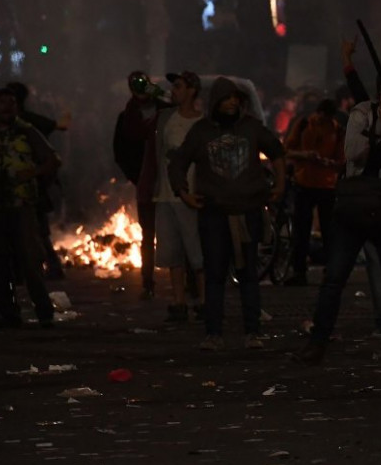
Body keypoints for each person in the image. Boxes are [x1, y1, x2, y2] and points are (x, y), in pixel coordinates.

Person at [294, 71, 381, 365]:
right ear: (380, 98)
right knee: (334, 278)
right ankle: (318, 342)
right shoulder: (362, 114)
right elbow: (352, 154)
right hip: (355, 207)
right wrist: (380, 125)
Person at [168, 77, 286, 351]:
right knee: (215, 275)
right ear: (216, 102)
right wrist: (183, 193)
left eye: (235, 98)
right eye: (227, 98)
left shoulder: (251, 128)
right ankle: (213, 332)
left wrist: (280, 184)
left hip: (247, 212)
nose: (232, 102)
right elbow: (178, 162)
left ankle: (252, 331)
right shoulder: (201, 132)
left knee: (247, 277)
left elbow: (277, 152)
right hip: (214, 214)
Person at [0, 88, 60, 329]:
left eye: (12, 103)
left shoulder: (27, 131)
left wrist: (32, 175)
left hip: (22, 206)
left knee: (31, 262)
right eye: (2, 103)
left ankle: (44, 312)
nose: (7, 108)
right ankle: (9, 314)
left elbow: (52, 160)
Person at [151, 72, 206, 322]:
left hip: (191, 193)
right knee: (171, 251)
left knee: (197, 251)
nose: (174, 90)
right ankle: (179, 301)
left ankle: (204, 301)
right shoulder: (165, 118)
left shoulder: (203, 123)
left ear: (192, 91)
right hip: (165, 193)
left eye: (179, 86)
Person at [117, 71, 171, 300]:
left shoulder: (165, 109)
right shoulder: (127, 116)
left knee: (176, 232)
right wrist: (137, 176)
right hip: (146, 181)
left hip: (169, 180)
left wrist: (161, 94)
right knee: (148, 235)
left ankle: (189, 281)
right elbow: (120, 151)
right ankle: (147, 282)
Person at [7, 82, 69, 281]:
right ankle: (44, 267)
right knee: (36, 231)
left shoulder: (26, 123)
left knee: (34, 230)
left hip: (30, 185)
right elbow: (62, 126)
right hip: (28, 185)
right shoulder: (26, 121)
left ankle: (41, 268)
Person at [283, 99, 345, 286]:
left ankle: (331, 270)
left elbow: (341, 159)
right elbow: (287, 149)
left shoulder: (337, 130)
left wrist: (328, 163)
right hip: (304, 182)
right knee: (301, 230)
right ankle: (299, 271)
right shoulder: (303, 124)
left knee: (329, 231)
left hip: (327, 185)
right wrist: (305, 155)